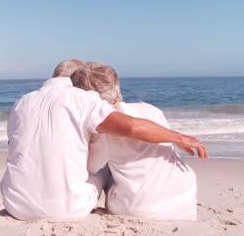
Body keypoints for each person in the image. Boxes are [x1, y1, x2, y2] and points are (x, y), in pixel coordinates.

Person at [1, 59, 207, 220]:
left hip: (15, 204)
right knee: (103, 165)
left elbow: (14, 147)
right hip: (182, 198)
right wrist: (181, 138)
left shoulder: (21, 102)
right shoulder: (86, 99)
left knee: (98, 163)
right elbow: (132, 126)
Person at [71, 64, 200, 220]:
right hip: (183, 199)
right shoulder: (151, 109)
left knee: (101, 170)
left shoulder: (103, 133)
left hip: (140, 208)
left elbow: (91, 168)